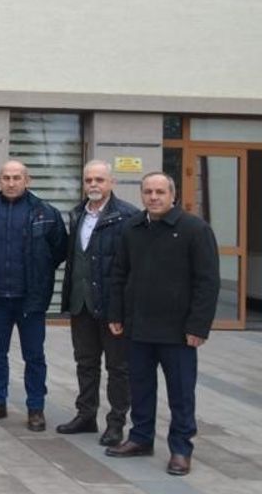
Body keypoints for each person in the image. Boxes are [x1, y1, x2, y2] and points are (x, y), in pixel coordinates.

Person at [106, 172, 218, 477]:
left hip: (178, 332)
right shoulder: (132, 228)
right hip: (138, 327)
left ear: (173, 195)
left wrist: (198, 327)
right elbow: (119, 273)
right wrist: (116, 314)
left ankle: (181, 448)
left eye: (160, 192)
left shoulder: (195, 229)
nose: (153, 197)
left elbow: (207, 282)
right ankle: (141, 438)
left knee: (181, 393)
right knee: (140, 387)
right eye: (148, 192)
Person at [0, 160, 67, 432]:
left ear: (27, 180)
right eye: (6, 177)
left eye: (16, 177)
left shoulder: (46, 213)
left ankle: (35, 408)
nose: (11, 182)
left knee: (34, 356)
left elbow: (59, 250)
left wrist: (40, 273)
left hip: (31, 299)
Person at [57, 160, 139, 446]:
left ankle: (116, 423)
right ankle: (86, 415)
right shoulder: (77, 213)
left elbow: (132, 268)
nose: (93, 184)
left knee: (118, 368)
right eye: (89, 180)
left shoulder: (128, 216)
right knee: (85, 363)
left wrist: (123, 310)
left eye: (99, 180)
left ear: (112, 182)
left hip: (112, 307)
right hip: (81, 304)